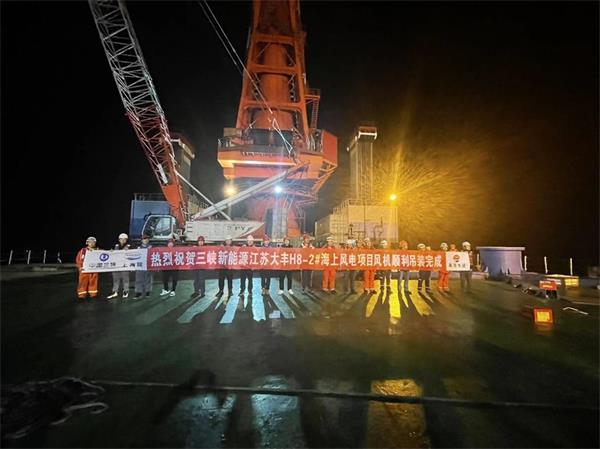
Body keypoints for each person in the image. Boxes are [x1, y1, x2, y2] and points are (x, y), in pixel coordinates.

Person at [107, 233, 131, 299]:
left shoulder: (130, 246)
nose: (123, 240)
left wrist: (129, 251)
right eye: (121, 239)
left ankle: (125, 291)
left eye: (124, 239)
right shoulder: (116, 246)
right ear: (119, 240)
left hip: (125, 265)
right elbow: (110, 253)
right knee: (115, 279)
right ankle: (115, 292)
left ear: (126, 240)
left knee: (125, 279)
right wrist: (111, 251)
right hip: (116, 265)